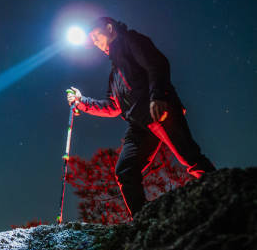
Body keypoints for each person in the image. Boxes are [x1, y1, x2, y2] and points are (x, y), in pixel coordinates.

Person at [67, 17, 216, 219]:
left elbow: (157, 64)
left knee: (189, 156)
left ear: (110, 29)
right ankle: (143, 220)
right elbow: (113, 107)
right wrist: (82, 101)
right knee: (125, 171)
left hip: (159, 111)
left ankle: (222, 193)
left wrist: (158, 96)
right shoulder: (114, 73)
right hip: (138, 125)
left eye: (96, 35)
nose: (94, 41)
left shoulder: (131, 41)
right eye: (91, 39)